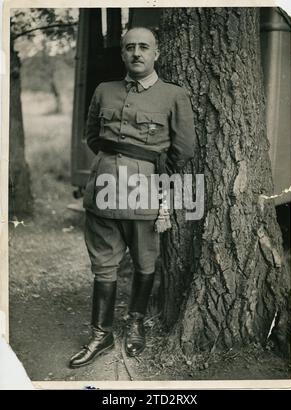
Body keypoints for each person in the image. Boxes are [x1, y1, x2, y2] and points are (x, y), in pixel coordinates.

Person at [69, 27, 196, 368]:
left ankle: (136, 322)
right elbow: (92, 136)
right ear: (122, 54)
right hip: (103, 191)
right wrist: (112, 164)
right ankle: (101, 334)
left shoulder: (173, 95)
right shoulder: (104, 91)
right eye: (130, 48)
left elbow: (183, 149)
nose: (136, 53)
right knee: (103, 265)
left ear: (157, 53)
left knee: (145, 262)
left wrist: (148, 172)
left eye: (144, 47)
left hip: (145, 194)